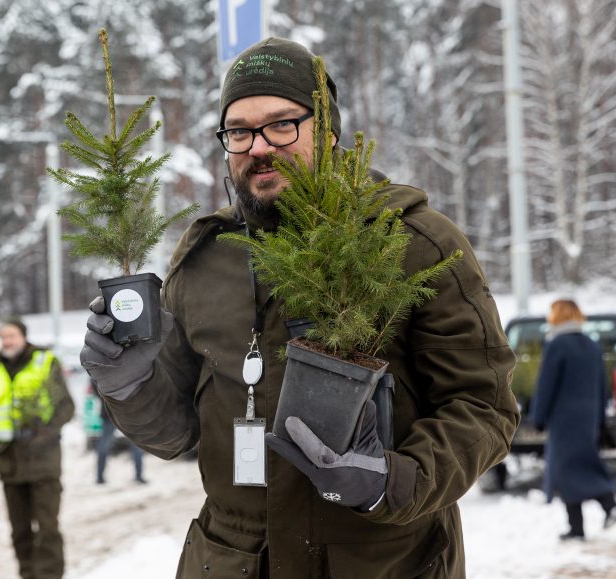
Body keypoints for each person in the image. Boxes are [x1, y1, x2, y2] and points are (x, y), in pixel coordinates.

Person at [79, 37, 520, 578]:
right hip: (233, 563)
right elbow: (176, 433)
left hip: (384, 562)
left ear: (329, 132)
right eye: (239, 130)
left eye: (282, 124)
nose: (259, 146)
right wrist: (129, 385)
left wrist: (392, 481)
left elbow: (484, 407)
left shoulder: (413, 243)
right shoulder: (204, 260)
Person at [0, 316, 74, 579]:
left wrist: (44, 434)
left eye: (12, 335)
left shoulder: (45, 362)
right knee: (20, 530)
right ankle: (27, 574)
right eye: (3, 336)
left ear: (24, 336)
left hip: (44, 463)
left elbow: (66, 408)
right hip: (10, 464)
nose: (7, 341)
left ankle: (50, 576)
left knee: (48, 527)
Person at [530, 299, 616, 541]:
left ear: (557, 315)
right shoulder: (591, 345)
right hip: (588, 416)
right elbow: (602, 386)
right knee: (578, 464)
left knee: (564, 468)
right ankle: (579, 526)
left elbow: (546, 384)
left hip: (564, 418)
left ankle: (608, 504)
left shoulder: (557, 344)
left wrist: (538, 416)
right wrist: (600, 418)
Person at [92, 381, 146, 485]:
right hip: (119, 412)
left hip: (119, 411)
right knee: (136, 444)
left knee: (136, 445)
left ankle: (139, 476)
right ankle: (100, 477)